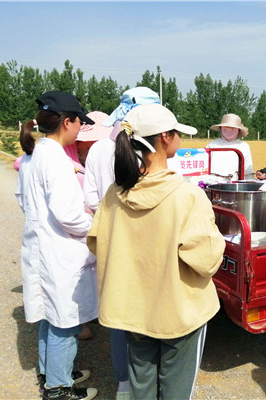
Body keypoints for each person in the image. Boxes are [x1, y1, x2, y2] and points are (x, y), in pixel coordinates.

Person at [87, 104, 225, 400]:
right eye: (177, 133)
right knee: (176, 389)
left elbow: (97, 243)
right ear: (165, 137)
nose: (179, 139)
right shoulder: (187, 195)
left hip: (130, 309)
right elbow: (207, 260)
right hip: (178, 312)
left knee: (141, 382)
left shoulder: (115, 193)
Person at [15, 91, 98, 400]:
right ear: (67, 122)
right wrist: (95, 224)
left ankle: (51, 372)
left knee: (50, 316)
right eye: (80, 122)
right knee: (65, 321)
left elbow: (22, 199)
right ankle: (58, 388)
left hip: (41, 245)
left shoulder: (32, 154)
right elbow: (69, 215)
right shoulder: (58, 160)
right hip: (59, 251)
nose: (81, 129)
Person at [82, 87, 160, 400]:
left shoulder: (100, 149)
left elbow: (89, 198)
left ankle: (124, 386)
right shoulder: (152, 151)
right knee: (147, 316)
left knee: (116, 316)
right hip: (147, 247)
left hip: (111, 245)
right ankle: (149, 383)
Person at [206, 113, 254, 180]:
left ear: (238, 130)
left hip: (234, 183)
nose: (229, 131)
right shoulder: (212, 144)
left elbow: (248, 170)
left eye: (233, 129)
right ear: (221, 128)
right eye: (225, 128)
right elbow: (205, 167)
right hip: (213, 181)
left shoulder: (243, 146)